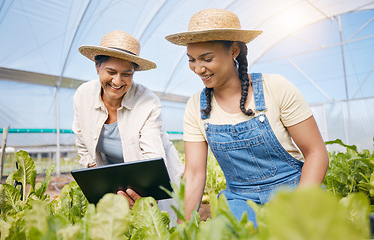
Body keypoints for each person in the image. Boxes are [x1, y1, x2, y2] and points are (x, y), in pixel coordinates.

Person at [165, 8, 329, 226]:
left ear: (234, 51)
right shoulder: (196, 106)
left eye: (207, 58)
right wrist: (181, 228)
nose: (198, 68)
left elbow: (316, 153)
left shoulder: (275, 87)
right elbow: (194, 174)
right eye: (191, 60)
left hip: (295, 191)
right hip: (240, 201)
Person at [72, 30, 184, 220]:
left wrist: (144, 193)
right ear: (97, 66)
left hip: (155, 181)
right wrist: (97, 180)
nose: (117, 81)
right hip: (114, 185)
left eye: (126, 74)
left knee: (159, 228)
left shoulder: (147, 102)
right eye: (111, 72)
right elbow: (82, 141)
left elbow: (152, 159)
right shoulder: (83, 95)